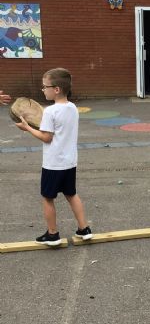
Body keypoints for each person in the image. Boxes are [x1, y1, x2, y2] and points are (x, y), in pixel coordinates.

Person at [15, 68, 92, 246]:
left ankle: (52, 234)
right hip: (69, 161)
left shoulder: (50, 112)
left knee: (48, 198)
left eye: (45, 86)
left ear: (56, 89)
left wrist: (27, 127)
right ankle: (84, 229)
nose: (43, 90)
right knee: (71, 194)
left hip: (53, 164)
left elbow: (46, 137)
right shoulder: (72, 107)